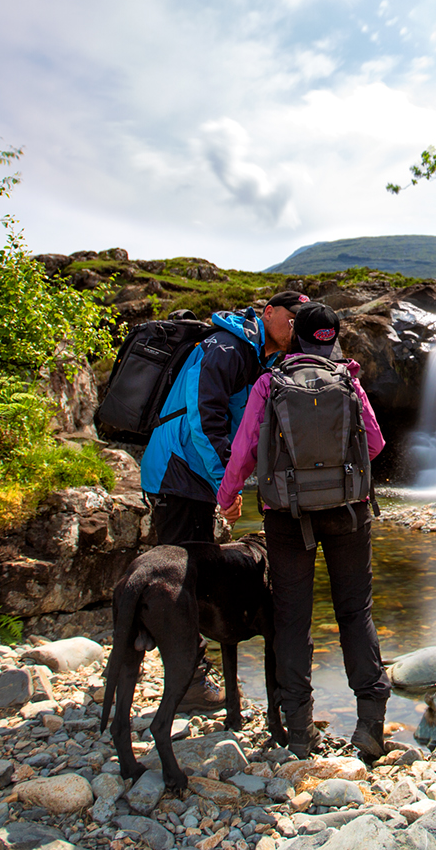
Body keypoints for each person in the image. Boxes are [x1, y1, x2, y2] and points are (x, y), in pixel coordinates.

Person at [217, 301, 390, 760]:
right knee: (355, 612)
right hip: (349, 512)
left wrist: (227, 496)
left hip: (286, 516)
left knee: (293, 617)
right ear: (332, 338)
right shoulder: (349, 381)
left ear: (295, 336)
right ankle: (371, 725)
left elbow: (244, 452)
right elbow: (374, 443)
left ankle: (299, 731)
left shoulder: (268, 383)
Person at [138, 289, 306, 709]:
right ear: (268, 312)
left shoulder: (259, 357)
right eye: (290, 316)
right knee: (177, 580)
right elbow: (201, 416)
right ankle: (189, 681)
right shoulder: (228, 348)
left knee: (195, 574)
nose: (294, 326)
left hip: (195, 475)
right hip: (176, 472)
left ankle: (173, 667)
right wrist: (224, 486)